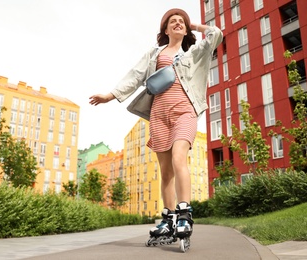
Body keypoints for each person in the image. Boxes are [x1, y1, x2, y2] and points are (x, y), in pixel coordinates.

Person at [89, 8, 222, 239]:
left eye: (182, 21)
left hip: (185, 111)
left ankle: (184, 213)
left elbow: (216, 34)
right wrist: (110, 96)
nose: (178, 23)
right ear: (165, 29)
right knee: (166, 171)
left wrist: (195, 26)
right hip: (159, 114)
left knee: (179, 157)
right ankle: (168, 218)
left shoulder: (194, 52)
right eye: (173, 21)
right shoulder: (155, 54)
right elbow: (135, 75)